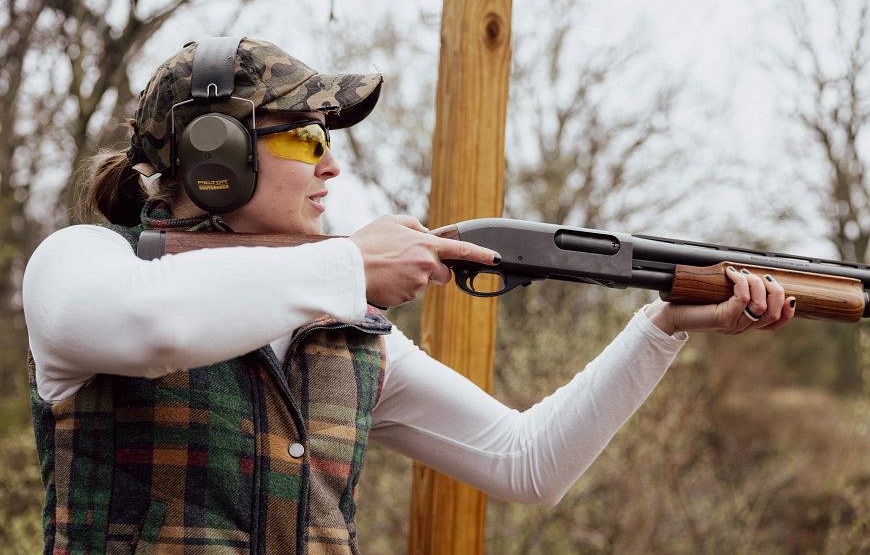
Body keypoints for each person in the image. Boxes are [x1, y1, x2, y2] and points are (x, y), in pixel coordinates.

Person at [22, 37, 796, 554]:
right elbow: (150, 325)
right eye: (307, 137)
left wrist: (661, 325)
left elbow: (530, 464)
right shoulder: (83, 262)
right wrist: (349, 267)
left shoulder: (347, 331)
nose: (332, 167)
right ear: (213, 157)